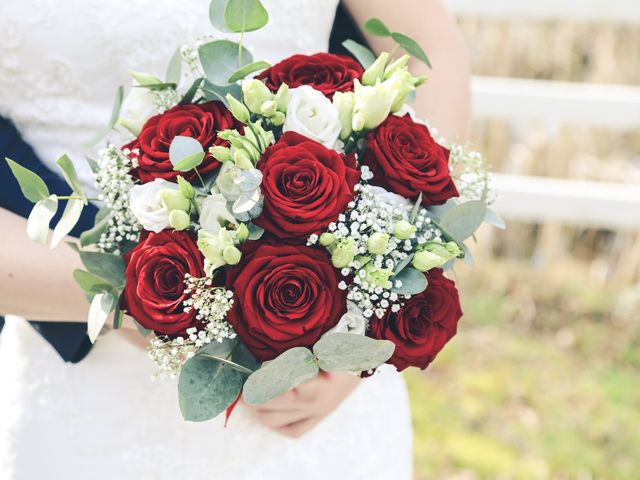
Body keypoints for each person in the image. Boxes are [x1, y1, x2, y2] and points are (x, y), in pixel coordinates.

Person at [0, 0, 470, 478]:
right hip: (85, 380)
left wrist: (362, 333)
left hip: (319, 395)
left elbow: (429, 48)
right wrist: (145, 297)